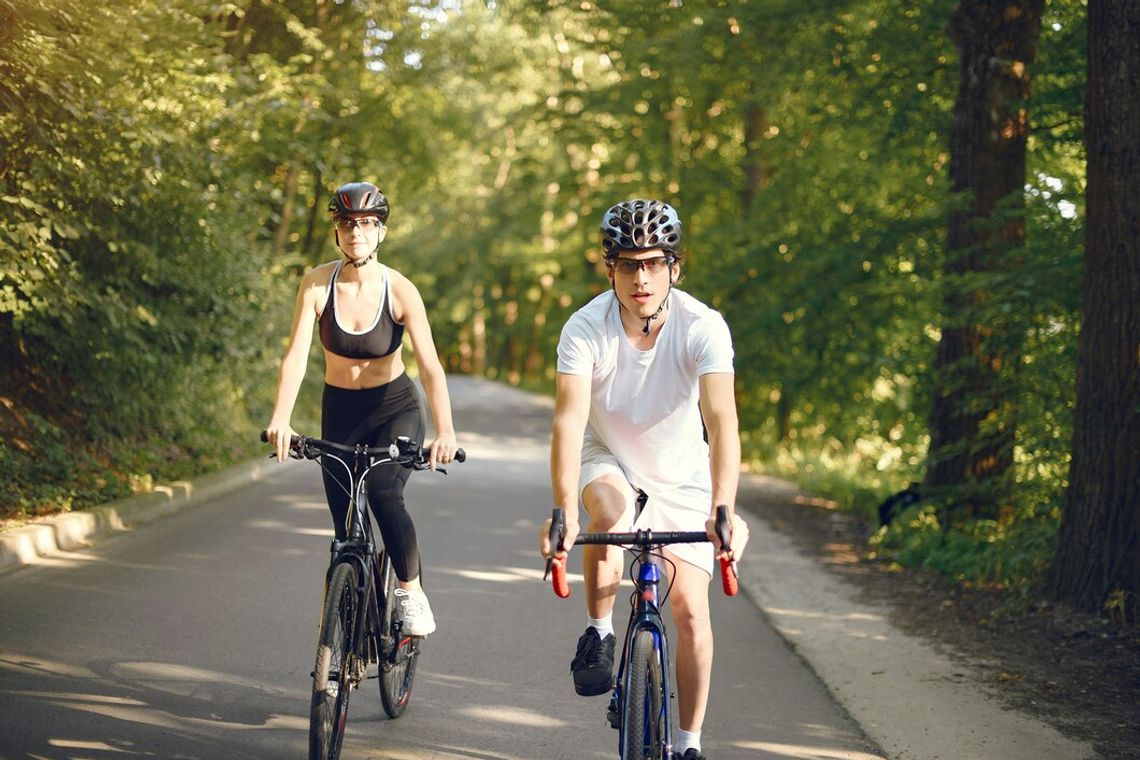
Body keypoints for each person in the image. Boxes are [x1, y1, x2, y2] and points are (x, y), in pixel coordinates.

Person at [541, 199, 749, 760]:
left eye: (654, 263)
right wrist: (563, 509)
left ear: (674, 267)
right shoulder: (586, 327)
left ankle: (688, 744)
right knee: (609, 514)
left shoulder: (702, 326)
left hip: (682, 475)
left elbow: (722, 421)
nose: (641, 277)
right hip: (607, 453)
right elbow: (567, 420)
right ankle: (600, 632)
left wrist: (723, 506)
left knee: (689, 612)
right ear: (610, 267)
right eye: (628, 264)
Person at [265, 181, 459, 637]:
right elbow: (295, 356)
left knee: (384, 494)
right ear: (336, 231)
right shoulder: (316, 284)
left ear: (381, 232)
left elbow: (430, 367)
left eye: (367, 224)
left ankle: (410, 592)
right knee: (343, 529)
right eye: (347, 223)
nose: (357, 232)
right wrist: (281, 418)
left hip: (394, 408)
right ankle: (345, 627)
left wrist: (445, 430)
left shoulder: (401, 290)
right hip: (341, 411)